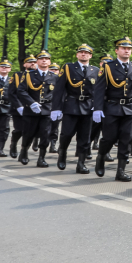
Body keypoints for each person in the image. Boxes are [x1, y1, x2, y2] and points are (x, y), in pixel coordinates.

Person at [92, 37, 132, 181]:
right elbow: (99, 89)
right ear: (117, 50)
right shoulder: (108, 67)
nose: (127, 51)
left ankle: (120, 171)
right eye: (123, 48)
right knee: (109, 138)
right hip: (112, 107)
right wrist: (97, 108)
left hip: (129, 108)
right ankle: (101, 156)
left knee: (126, 139)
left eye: (129, 49)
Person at [50, 44, 98, 174]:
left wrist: (98, 106)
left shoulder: (95, 70)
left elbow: (98, 91)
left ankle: (81, 163)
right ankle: (62, 154)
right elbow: (59, 89)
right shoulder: (68, 67)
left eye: (86, 53)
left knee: (85, 137)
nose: (83, 54)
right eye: (81, 52)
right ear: (77, 55)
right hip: (71, 105)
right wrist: (56, 108)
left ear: (90, 56)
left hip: (87, 107)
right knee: (67, 134)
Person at [15, 50, 58, 167]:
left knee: (45, 134)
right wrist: (31, 103)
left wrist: (58, 108)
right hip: (31, 110)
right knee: (29, 133)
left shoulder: (55, 77)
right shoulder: (29, 75)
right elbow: (21, 91)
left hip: (47, 109)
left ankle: (41, 158)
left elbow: (59, 93)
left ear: (49, 62)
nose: (44, 61)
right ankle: (24, 151)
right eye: (41, 59)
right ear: (37, 62)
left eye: (46, 59)